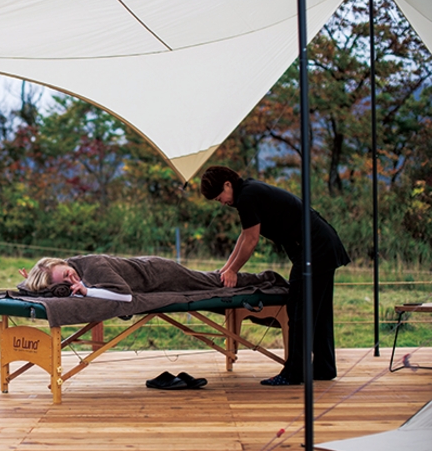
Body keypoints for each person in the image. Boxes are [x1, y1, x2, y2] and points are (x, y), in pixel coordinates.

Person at [200, 165, 350, 386]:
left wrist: (233, 271)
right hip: (322, 245)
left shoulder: (247, 196)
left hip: (315, 249)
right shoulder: (248, 191)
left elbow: (252, 240)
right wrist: (227, 268)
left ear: (228, 184)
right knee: (318, 311)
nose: (221, 202)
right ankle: (324, 368)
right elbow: (244, 236)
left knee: (299, 309)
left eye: (219, 196)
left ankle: (294, 373)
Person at [19, 253, 286, 302]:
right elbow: (44, 285)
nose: (70, 280)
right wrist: (28, 283)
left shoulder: (93, 267)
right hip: (150, 267)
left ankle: (266, 279)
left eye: (67, 274)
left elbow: (124, 295)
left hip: (162, 274)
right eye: (64, 282)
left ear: (65, 263)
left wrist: (88, 292)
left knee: (215, 282)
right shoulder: (68, 270)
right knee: (211, 278)